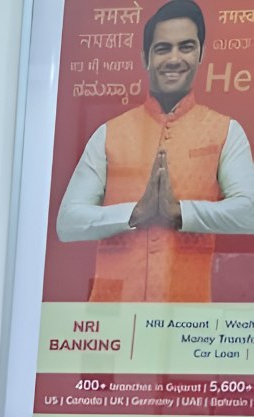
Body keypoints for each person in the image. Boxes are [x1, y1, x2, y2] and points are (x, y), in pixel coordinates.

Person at [56, 1, 254, 303]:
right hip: (112, 315)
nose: (174, 58)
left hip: (187, 317)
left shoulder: (226, 131)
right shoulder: (109, 134)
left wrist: (181, 213)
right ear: (145, 58)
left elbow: (249, 213)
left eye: (186, 47)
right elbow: (68, 223)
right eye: (163, 48)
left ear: (201, 53)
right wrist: (134, 214)